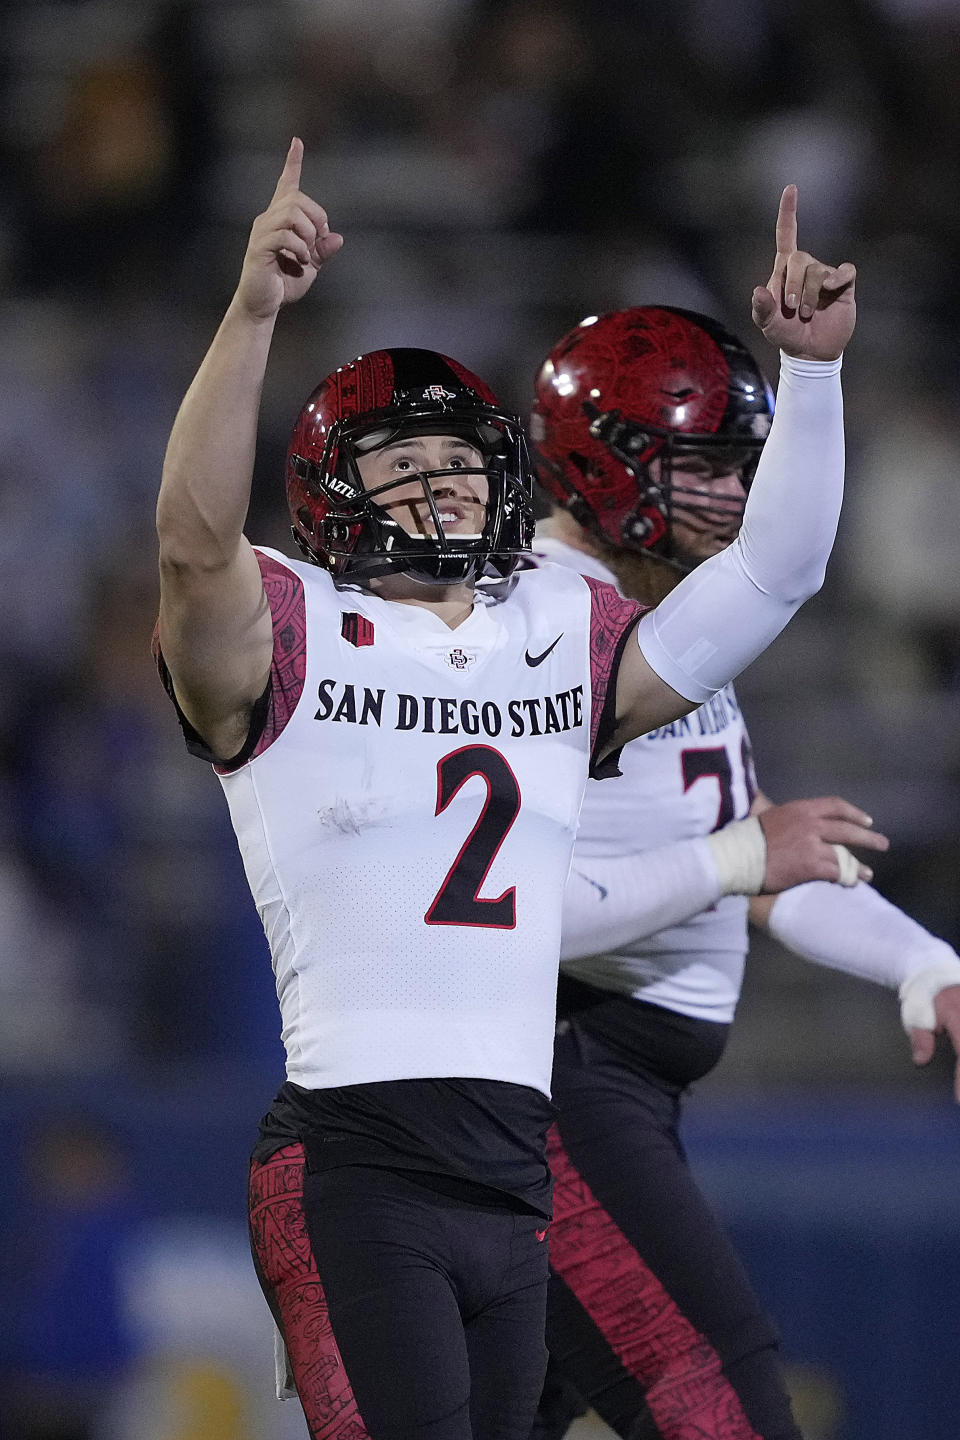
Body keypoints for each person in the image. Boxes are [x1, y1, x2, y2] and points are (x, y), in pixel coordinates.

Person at [154, 137, 866, 1440]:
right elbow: (193, 542)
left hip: (513, 1162)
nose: (437, 481)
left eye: (457, 459)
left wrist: (810, 377)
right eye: (398, 463)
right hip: (357, 1160)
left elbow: (769, 580)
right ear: (331, 500)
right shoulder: (296, 625)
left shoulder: (556, 642)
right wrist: (254, 310)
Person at [524, 303, 960, 1440]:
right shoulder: (531, 626)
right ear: (604, 461)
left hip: (601, 1099)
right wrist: (734, 858)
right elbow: (482, 918)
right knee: (721, 1414)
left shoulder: (650, 614)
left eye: (743, 469)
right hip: (550, 1097)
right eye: (708, 466)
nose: (734, 496)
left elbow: (768, 853)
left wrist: (923, 962)